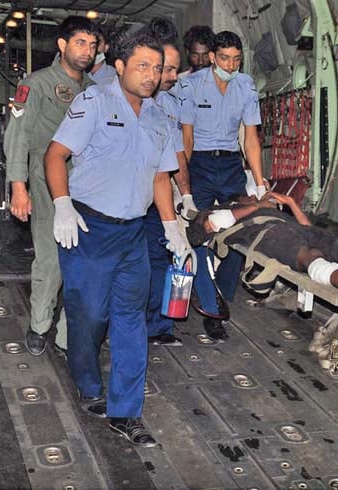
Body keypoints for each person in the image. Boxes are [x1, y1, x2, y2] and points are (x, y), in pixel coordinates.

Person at [44, 29, 189, 446]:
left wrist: (171, 227)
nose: (151, 75)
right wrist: (62, 204)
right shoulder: (94, 101)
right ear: (120, 66)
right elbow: (56, 155)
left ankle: (125, 411)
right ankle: (88, 383)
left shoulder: (161, 117)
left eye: (157, 68)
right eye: (142, 66)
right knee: (89, 317)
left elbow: (161, 178)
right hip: (89, 229)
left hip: (133, 236)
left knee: (130, 320)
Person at [4, 16, 99, 357]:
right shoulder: (37, 84)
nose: (86, 51)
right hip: (45, 184)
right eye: (79, 43)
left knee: (83, 265)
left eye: (91, 44)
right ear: (62, 45)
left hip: (85, 188)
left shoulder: (94, 90)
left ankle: (66, 335)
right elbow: (18, 136)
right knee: (50, 261)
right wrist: (19, 186)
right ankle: (40, 324)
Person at [180, 30, 265, 340]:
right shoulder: (190, 85)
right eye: (225, 58)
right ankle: (211, 305)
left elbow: (251, 138)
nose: (231, 65)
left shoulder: (246, 86)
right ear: (213, 57)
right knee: (199, 233)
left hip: (230, 164)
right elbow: (186, 138)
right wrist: (184, 186)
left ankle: (223, 293)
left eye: (237, 59)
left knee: (241, 228)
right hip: (200, 163)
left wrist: (258, 181)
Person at [187, 193, 338, 295]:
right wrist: (256, 204)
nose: (255, 197)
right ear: (238, 200)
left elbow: (306, 226)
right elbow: (211, 225)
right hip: (269, 235)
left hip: (295, 229)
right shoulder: (224, 210)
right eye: (249, 197)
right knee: (310, 254)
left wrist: (290, 202)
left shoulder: (266, 209)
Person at [142, 18, 197, 347]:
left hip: (158, 199)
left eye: (177, 70)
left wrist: (186, 195)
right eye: (170, 70)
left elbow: (177, 154)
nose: (174, 77)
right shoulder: (127, 100)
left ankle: (158, 327)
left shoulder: (170, 104)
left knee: (162, 258)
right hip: (129, 197)